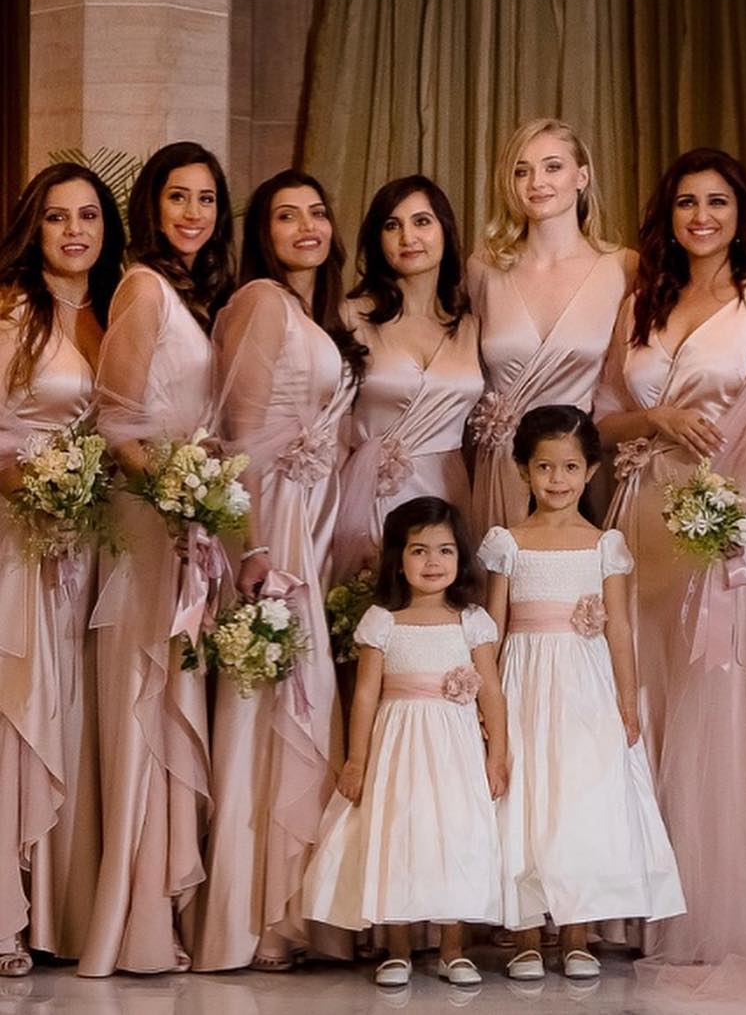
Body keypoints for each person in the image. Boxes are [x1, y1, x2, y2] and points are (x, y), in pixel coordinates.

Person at [596, 147, 746, 963]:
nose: (702, 217)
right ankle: (636, 904)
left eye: (717, 202)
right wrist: (655, 420)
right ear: (669, 215)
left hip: (732, 521)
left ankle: (727, 905)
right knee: (645, 692)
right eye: (687, 202)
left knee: (720, 696)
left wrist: (725, 513)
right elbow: (603, 417)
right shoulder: (641, 303)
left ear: (740, 214)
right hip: (642, 515)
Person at [193, 170, 359, 972]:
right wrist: (255, 547)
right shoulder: (262, 301)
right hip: (278, 519)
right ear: (262, 234)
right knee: (275, 699)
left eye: (317, 212)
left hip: (312, 515)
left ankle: (298, 904)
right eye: (286, 216)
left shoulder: (313, 311)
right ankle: (258, 916)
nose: (306, 227)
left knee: (302, 696)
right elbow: (242, 436)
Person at [80, 141, 234, 977]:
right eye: (179, 197)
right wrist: (174, 492)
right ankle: (134, 917)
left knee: (176, 689)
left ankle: (164, 906)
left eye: (207, 199)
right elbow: (115, 421)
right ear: (152, 206)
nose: (193, 214)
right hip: (149, 517)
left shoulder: (198, 295)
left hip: (187, 517)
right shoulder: (142, 286)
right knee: (148, 693)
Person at [478, 405, 684, 982]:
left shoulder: (604, 545)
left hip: (585, 689)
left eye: (570, 467)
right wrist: (485, 703)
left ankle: (576, 932)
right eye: (545, 467)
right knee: (524, 799)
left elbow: (619, 627)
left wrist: (626, 701)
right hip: (523, 683)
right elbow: (492, 630)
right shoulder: (508, 543)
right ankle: (525, 934)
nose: (557, 480)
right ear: (523, 470)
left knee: (580, 800)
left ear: (591, 471)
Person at [0, 163, 124, 975]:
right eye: (56, 216)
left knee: (81, 717)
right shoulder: (11, 314)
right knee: (22, 710)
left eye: (88, 215)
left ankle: (64, 912)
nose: (75, 230)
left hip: (100, 538)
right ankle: (4, 917)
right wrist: (32, 490)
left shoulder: (121, 313)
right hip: (22, 531)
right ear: (33, 227)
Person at [304, 496, 507, 988]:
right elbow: (365, 696)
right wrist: (357, 761)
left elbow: (493, 692)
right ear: (398, 560)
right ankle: (397, 949)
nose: (433, 562)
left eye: (444, 550)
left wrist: (498, 755)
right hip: (398, 747)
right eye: (419, 551)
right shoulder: (383, 621)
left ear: (460, 558)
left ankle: (453, 949)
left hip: (456, 750)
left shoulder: (472, 620)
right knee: (398, 832)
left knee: (455, 835)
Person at [469, 117, 635, 535]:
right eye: (522, 171)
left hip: (582, 471)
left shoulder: (623, 267)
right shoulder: (484, 268)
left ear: (582, 176)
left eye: (552, 167)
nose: (536, 182)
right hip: (503, 467)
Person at [333, 176, 482, 579]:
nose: (408, 237)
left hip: (450, 494)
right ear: (377, 239)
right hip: (373, 497)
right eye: (392, 225)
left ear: (445, 231)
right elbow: (332, 423)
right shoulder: (350, 316)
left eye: (421, 222)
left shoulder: (470, 325)